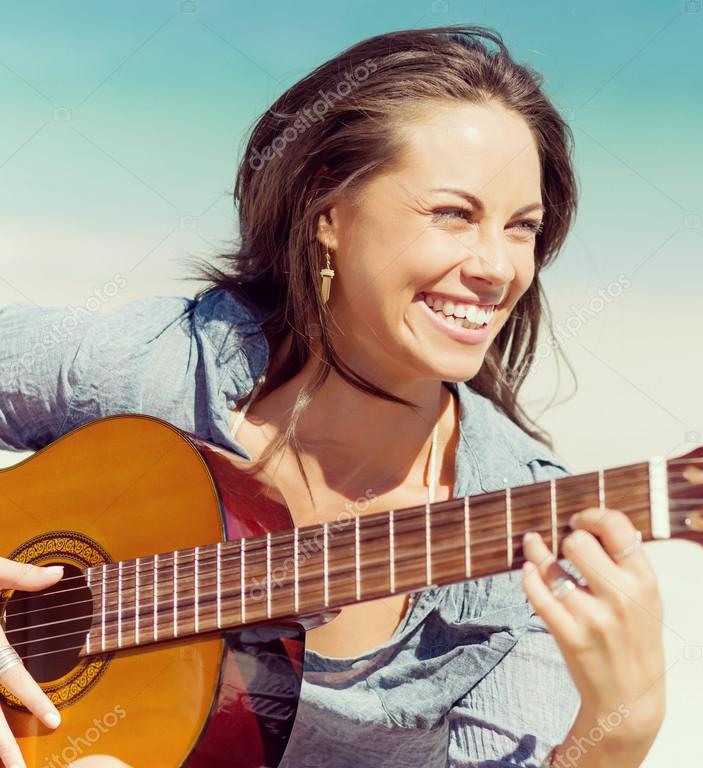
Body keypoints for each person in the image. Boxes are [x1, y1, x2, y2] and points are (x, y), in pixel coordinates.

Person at [0, 25, 665, 768]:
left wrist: (618, 730)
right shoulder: (167, 369)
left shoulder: (522, 545)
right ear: (328, 213)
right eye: (453, 213)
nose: (497, 267)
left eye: (522, 228)